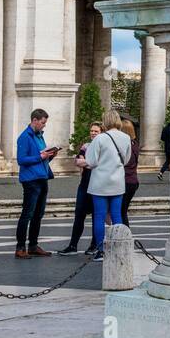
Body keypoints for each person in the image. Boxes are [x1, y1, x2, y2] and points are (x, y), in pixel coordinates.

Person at [83, 110, 131, 261]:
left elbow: (91, 161)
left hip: (100, 182)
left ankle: (100, 250)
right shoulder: (126, 137)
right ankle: (118, 248)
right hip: (117, 181)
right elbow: (127, 160)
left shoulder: (100, 138)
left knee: (99, 216)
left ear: (105, 121)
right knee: (117, 215)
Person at [15, 108, 59, 258]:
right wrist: (40, 156)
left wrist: (50, 155)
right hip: (30, 180)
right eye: (42, 122)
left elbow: (42, 158)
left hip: (42, 178)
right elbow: (21, 160)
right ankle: (20, 247)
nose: (44, 125)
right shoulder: (24, 137)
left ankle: (33, 245)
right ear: (34, 120)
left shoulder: (40, 136)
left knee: (38, 214)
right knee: (27, 214)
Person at [58, 122, 102, 255]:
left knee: (96, 216)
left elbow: (97, 164)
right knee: (79, 215)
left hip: (97, 185)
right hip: (84, 185)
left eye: (96, 131)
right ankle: (73, 245)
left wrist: (87, 162)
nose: (93, 133)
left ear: (101, 133)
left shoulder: (102, 146)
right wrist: (90, 163)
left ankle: (94, 245)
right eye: (91, 130)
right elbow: (78, 161)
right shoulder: (85, 146)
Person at [119, 119, 140, 225]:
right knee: (123, 211)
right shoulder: (134, 144)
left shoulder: (125, 146)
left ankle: (125, 236)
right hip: (133, 180)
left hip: (124, 180)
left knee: (121, 212)